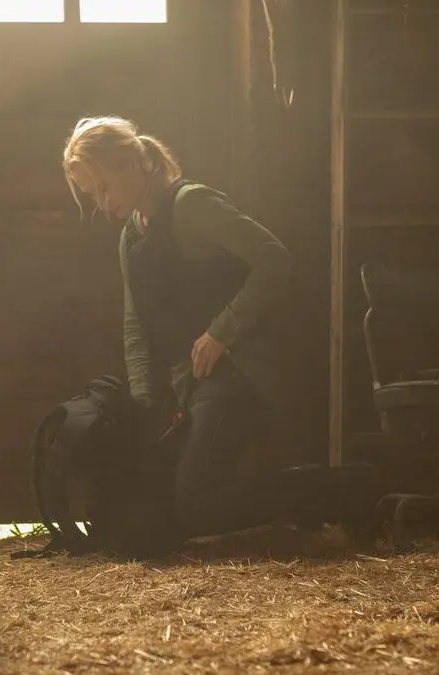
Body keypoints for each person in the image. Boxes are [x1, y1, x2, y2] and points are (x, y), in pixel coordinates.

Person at [62, 116, 294, 538]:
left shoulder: (192, 205)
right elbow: (135, 322)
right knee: (165, 504)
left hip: (241, 372)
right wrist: (143, 402)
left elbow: (274, 260)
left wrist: (221, 332)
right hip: (191, 383)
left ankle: (342, 491)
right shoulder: (131, 236)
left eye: (104, 188)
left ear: (132, 164)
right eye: (93, 195)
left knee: (196, 503)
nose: (102, 203)